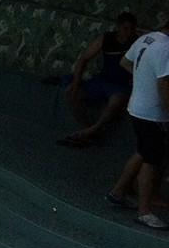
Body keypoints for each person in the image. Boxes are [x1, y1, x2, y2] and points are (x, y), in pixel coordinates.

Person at [106, 20, 169, 230]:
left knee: (143, 151)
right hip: (153, 113)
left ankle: (118, 192)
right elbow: (164, 84)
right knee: (152, 159)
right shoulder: (166, 48)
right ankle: (144, 211)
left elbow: (125, 62)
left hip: (137, 107)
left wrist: (143, 77)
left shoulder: (146, 39)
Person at [60, 12, 140, 147]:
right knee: (71, 93)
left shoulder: (137, 43)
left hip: (121, 85)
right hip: (102, 80)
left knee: (116, 101)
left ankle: (92, 130)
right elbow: (84, 59)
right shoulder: (107, 38)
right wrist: (76, 83)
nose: (128, 32)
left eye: (132, 29)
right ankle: (86, 129)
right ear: (118, 27)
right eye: (125, 28)